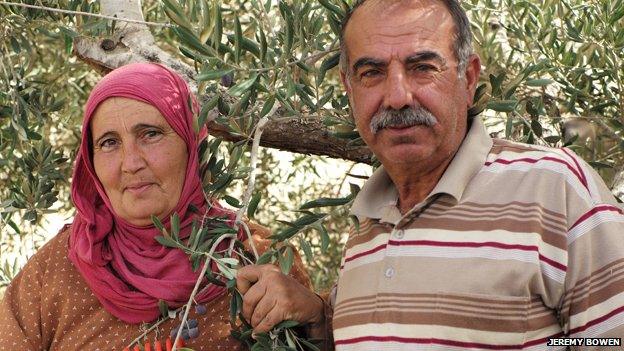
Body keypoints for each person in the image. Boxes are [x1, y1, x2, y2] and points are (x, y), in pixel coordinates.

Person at [236, 0, 624, 349]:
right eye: (372, 72)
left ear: (468, 78)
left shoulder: (553, 187)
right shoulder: (366, 227)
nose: (398, 96)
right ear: (348, 88)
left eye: (423, 68)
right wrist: (320, 318)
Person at [0, 63, 312, 350]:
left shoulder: (258, 257)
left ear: (191, 144)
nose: (131, 163)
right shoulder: (54, 270)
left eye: (150, 134)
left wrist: (318, 321)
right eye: (109, 142)